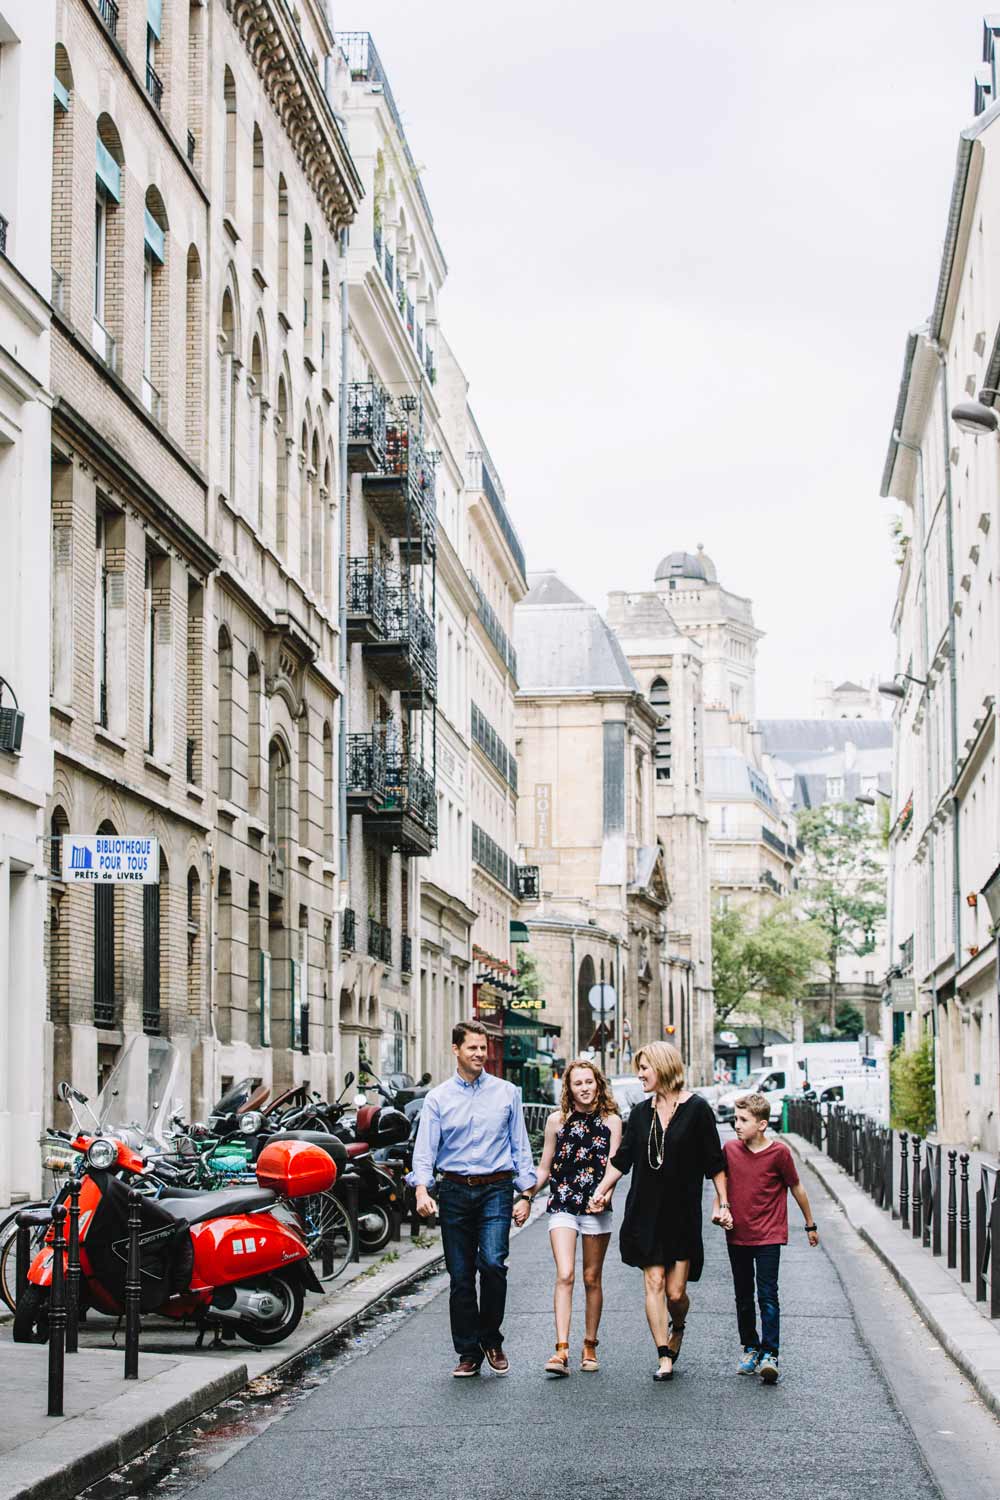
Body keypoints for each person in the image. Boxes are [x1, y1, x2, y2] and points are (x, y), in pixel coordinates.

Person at [589, 1041, 730, 1381]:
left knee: (675, 1293)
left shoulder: (697, 1110)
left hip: (682, 1214)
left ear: (663, 1067)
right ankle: (663, 1354)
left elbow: (715, 1162)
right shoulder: (639, 1113)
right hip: (645, 1212)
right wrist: (601, 1189)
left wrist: (723, 1202)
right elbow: (621, 1160)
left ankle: (677, 1324)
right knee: (653, 1281)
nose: (639, 1075)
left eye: (644, 1068)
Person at [411, 1019, 536, 1377]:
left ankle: (491, 1338)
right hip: (453, 1190)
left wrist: (525, 1193)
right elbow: (425, 1151)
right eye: (473, 1048)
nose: (481, 1053)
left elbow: (520, 1146)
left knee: (494, 1263)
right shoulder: (437, 1098)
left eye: (484, 1048)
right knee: (461, 1276)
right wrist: (422, 1188)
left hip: (496, 1188)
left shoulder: (507, 1092)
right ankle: (468, 1352)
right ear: (456, 1050)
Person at [528, 1058, 622, 1376]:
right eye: (577, 1083)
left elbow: (614, 1166)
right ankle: (561, 1350)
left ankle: (590, 1345)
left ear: (598, 1084)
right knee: (565, 1273)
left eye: (589, 1081)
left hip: (596, 1206)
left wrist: (606, 1194)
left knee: (591, 1278)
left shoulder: (612, 1121)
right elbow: (545, 1166)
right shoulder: (557, 1120)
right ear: (569, 1087)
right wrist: (527, 1194)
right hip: (563, 1203)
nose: (584, 1088)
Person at [717, 1092, 818, 1385]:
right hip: (737, 1234)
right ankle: (750, 1347)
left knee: (767, 1294)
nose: (737, 1125)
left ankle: (770, 1353)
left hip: (768, 1235)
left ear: (761, 1125)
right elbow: (720, 1181)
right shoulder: (730, 1150)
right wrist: (720, 1209)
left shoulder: (780, 1154)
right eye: (736, 1119)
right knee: (743, 1296)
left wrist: (810, 1225)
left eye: (743, 1120)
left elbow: (797, 1187)